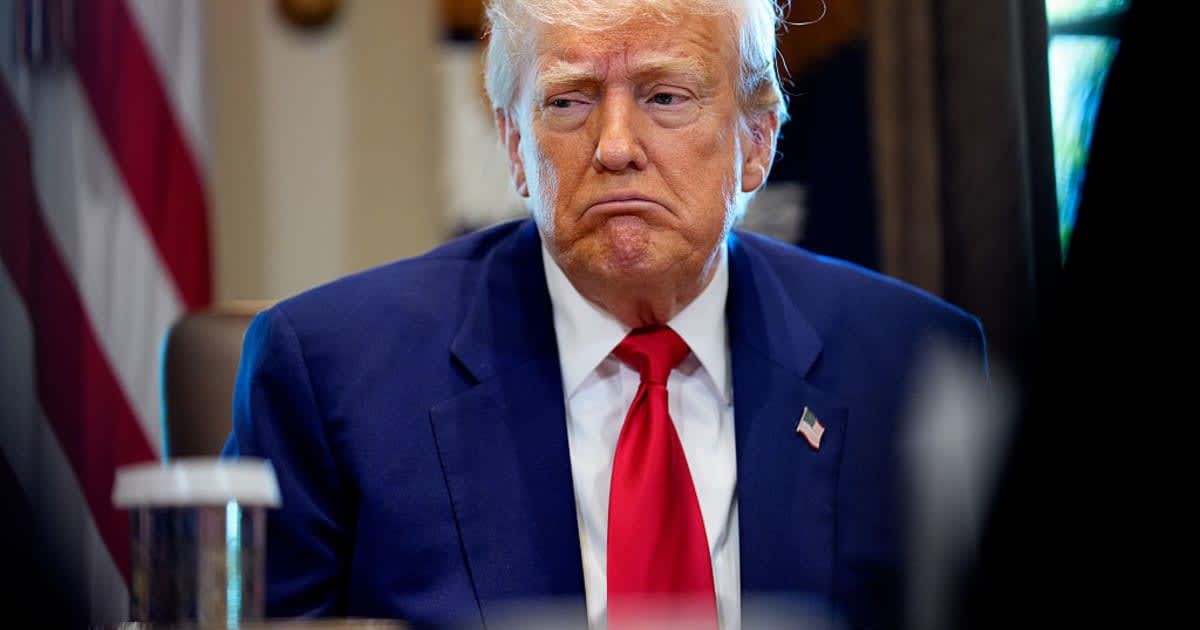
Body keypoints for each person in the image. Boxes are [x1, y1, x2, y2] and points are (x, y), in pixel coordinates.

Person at [224, 1, 986, 628]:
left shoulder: (909, 364)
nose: (615, 146)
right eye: (569, 100)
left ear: (757, 141)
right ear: (515, 145)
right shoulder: (330, 375)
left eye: (665, 97)